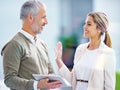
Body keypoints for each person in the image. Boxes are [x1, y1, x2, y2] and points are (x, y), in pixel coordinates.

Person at [1, 0, 62, 90]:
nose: (46, 22)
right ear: (30, 18)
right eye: (43, 17)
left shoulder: (42, 44)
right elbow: (9, 79)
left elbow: (50, 73)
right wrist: (37, 85)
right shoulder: (14, 45)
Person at [55, 12, 116, 90]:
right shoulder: (80, 49)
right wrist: (58, 60)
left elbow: (109, 87)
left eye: (89, 24)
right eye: (85, 24)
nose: (84, 27)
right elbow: (72, 80)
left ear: (99, 29)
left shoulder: (108, 53)